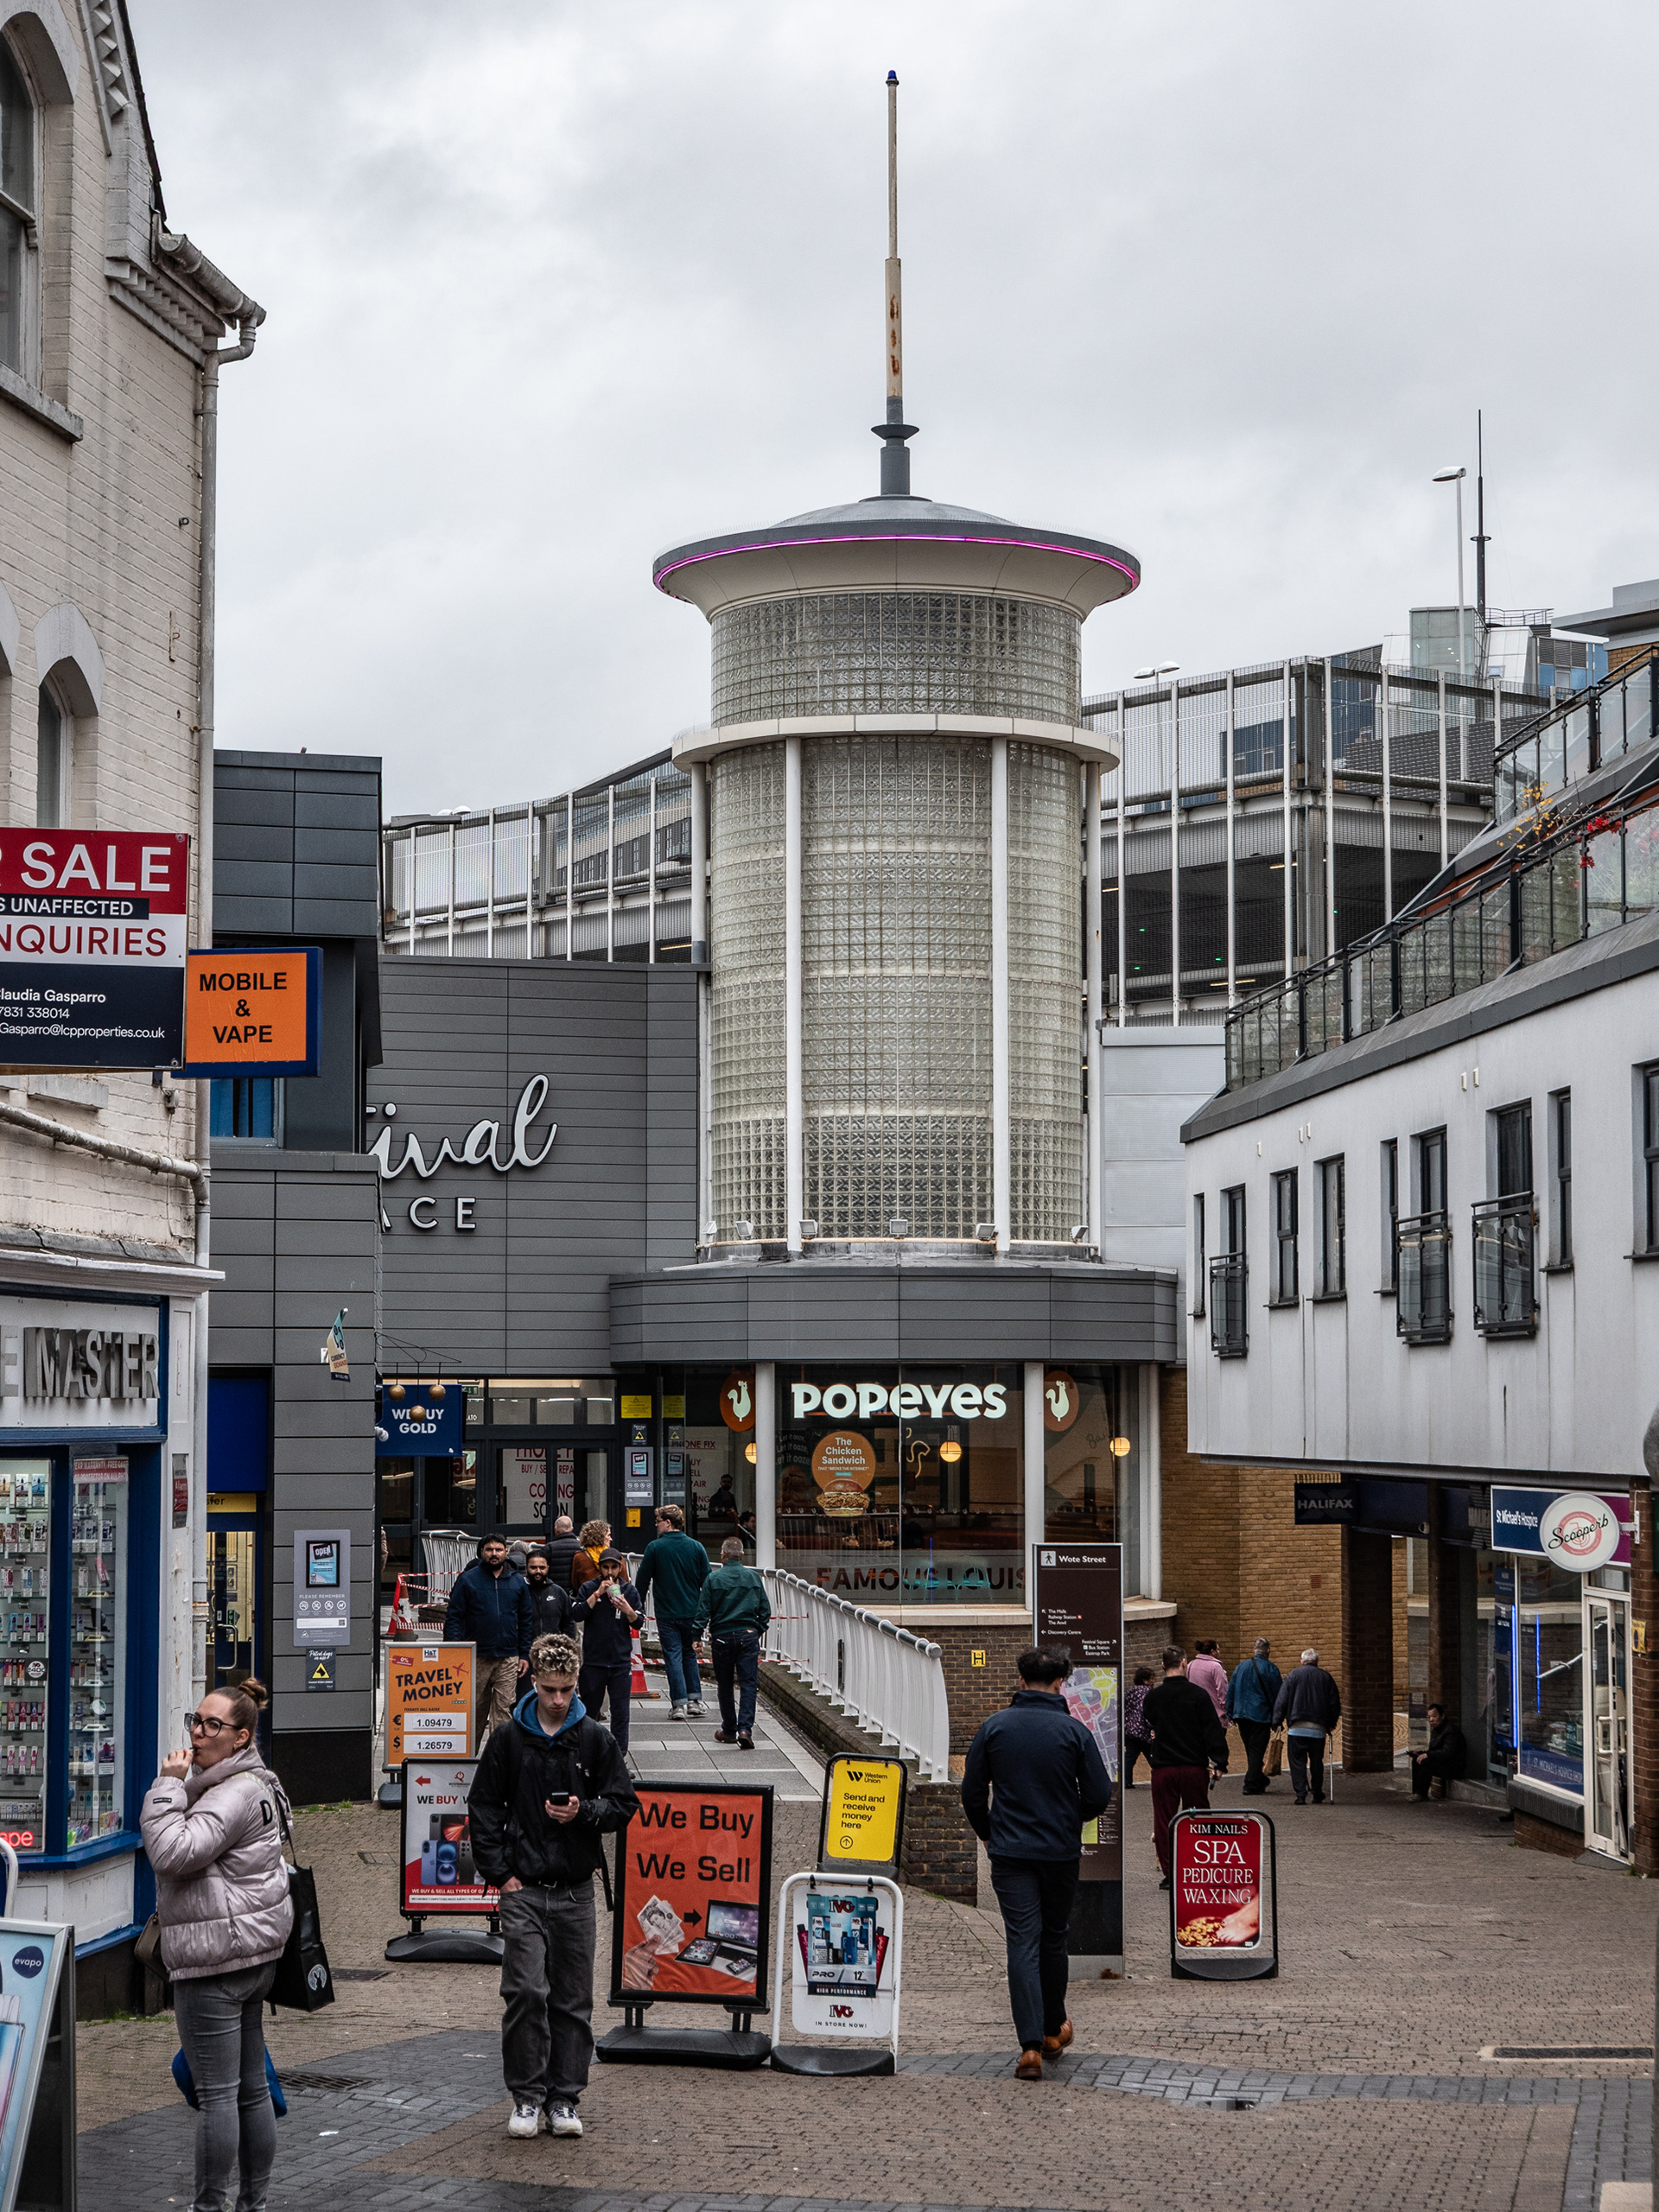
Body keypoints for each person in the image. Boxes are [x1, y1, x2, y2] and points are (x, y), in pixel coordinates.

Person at [467, 1632, 639, 2143]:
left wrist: (582, 1812)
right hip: (524, 1889)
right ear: (534, 1683)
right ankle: (527, 2095)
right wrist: (501, 1873)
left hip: (574, 1890)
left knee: (571, 1999)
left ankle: (563, 2098)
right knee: (524, 1991)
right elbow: (483, 1806)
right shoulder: (507, 1740)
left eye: (566, 1689)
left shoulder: (593, 1738)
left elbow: (624, 1803)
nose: (559, 1699)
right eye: (550, 1689)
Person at [139, 1679, 294, 2212]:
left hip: (216, 1960)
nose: (198, 1734)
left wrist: (166, 1787)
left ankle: (211, 2206)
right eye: (196, 1721)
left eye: (212, 1726)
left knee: (218, 2097)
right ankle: (254, 2202)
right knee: (249, 2090)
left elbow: (174, 1853)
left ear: (241, 1736)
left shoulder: (231, 1793)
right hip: (253, 1953)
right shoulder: (258, 1782)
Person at [960, 1649, 1112, 2082]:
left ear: (1020, 1680)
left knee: (1022, 1942)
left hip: (1010, 1852)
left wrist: (988, 1830)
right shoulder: (1075, 1731)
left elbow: (972, 1792)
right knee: (1054, 1937)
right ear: (1061, 1683)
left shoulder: (995, 1727)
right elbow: (1100, 1795)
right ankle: (1051, 2030)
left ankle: (1029, 2047)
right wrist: (1070, 1818)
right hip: (1059, 1852)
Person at [1141, 1645, 1228, 1888]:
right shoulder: (1198, 1695)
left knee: (1164, 1819)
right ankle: (1199, 1866)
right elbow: (1212, 1731)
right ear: (1184, 1664)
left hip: (1163, 1767)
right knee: (1199, 1816)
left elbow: (1149, 1720)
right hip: (1193, 1766)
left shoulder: (1153, 1697)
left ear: (1162, 1666)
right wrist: (1219, 1761)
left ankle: (1171, 1873)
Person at [444, 1535, 533, 1742]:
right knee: (474, 1711)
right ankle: (466, 1762)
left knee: (504, 1713)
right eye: (490, 1550)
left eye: (499, 1549)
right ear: (481, 1552)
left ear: (506, 1552)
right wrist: (455, 1650)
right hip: (476, 1657)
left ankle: (498, 1762)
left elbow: (526, 1619)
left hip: (508, 1657)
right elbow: (454, 1616)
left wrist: (524, 1654)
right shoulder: (468, 1580)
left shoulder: (518, 1582)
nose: (494, 1554)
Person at [691, 1535, 771, 1747]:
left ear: (723, 1555)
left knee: (725, 1685)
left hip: (722, 1637)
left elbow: (703, 1611)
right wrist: (757, 1630)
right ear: (742, 1555)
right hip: (748, 1635)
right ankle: (745, 1729)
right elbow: (765, 1610)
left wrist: (696, 1636)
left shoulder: (713, 1579)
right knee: (748, 1684)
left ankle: (729, 1730)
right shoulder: (753, 1578)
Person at [633, 1504, 710, 1719]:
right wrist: (707, 1612)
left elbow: (643, 1581)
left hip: (667, 1612)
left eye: (658, 1521)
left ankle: (678, 1704)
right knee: (689, 1654)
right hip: (692, 1611)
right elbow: (707, 1582)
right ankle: (695, 1700)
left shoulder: (655, 1548)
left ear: (668, 1522)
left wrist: (637, 1607)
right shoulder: (696, 1547)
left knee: (673, 1656)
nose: (656, 1525)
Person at [570, 1550, 643, 1757]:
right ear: (600, 1568)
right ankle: (588, 1756)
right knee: (589, 1713)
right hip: (594, 1662)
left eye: (613, 1567)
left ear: (620, 1568)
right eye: (605, 1568)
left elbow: (638, 1621)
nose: (609, 1573)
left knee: (621, 1714)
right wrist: (596, 1595)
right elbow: (576, 1614)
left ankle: (619, 1757)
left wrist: (627, 1608)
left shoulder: (629, 1590)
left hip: (620, 1662)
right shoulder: (588, 1588)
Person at [1272, 1646, 1342, 1805]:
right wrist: (1331, 1723)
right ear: (1317, 1661)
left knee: (1297, 1762)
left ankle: (1301, 1794)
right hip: (1318, 1729)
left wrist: (1277, 1721)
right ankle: (1317, 1793)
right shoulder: (1326, 1677)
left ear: (1302, 1661)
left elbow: (1281, 1700)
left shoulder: (1293, 1675)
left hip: (1296, 1727)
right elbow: (1334, 1703)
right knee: (1317, 1762)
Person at [1225, 1637, 1284, 1796]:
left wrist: (1230, 1712)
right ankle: (1250, 1784)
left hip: (1241, 1715)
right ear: (1268, 1651)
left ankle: (1259, 1779)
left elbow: (1231, 1690)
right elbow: (1278, 1695)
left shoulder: (1241, 1666)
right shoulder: (1271, 1669)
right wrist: (1278, 1717)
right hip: (1260, 1714)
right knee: (1257, 1750)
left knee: (1251, 1749)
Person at [1410, 1703, 1466, 1801]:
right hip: (1443, 1763)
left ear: (1442, 1716)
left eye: (1434, 1716)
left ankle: (1422, 1794)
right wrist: (1420, 1753)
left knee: (1426, 1762)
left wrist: (1427, 1755)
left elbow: (1447, 1753)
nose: (1431, 1720)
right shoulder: (1436, 1730)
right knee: (1416, 1759)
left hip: (1453, 1767)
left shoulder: (1451, 1731)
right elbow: (1434, 1751)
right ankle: (1416, 1792)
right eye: (1429, 1717)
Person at [524, 1548, 576, 1643]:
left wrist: (567, 1645)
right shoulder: (520, 1592)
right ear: (526, 1568)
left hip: (553, 1651)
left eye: (542, 1568)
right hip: (525, 1651)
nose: (538, 1571)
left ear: (548, 1568)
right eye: (533, 1567)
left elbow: (568, 1624)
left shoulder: (559, 1593)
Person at [1122, 1664, 1154, 1789]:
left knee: (1129, 1757)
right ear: (1145, 1680)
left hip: (1131, 1730)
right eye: (1151, 1678)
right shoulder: (1149, 1693)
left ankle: (1127, 1780)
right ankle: (1159, 1776)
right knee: (1152, 1756)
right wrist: (1152, 1726)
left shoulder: (1130, 1691)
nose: (1153, 1681)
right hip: (1144, 1731)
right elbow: (1147, 1711)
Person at [1188, 1640, 1228, 1720]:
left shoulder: (1191, 1664)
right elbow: (1222, 1689)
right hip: (1214, 1713)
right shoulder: (1216, 1667)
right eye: (1218, 1650)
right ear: (1212, 1651)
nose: (1219, 1652)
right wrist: (1225, 1707)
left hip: (1195, 1712)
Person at [542, 1514, 582, 1592]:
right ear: (572, 1528)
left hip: (554, 1591)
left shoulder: (549, 1548)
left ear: (556, 1529)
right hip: (575, 1592)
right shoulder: (580, 1547)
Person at [570, 1518, 610, 1594]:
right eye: (608, 1535)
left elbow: (575, 1583)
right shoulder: (615, 1557)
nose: (611, 1539)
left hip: (587, 1599)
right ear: (600, 1537)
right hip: (611, 1600)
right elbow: (624, 1582)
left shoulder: (579, 1557)